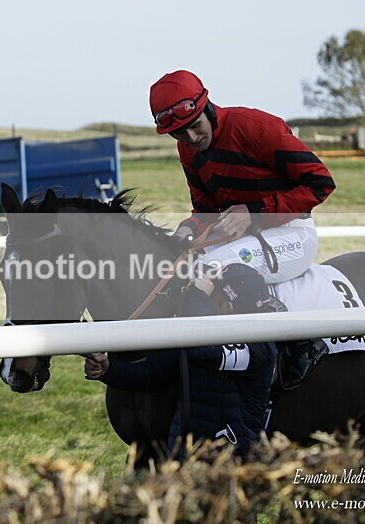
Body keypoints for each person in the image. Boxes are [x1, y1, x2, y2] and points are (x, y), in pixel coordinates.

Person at [149, 70, 336, 284]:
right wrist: (188, 227)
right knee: (173, 267)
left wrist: (254, 213)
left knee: (206, 271)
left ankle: (266, 305)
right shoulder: (187, 149)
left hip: (291, 235)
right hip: (239, 235)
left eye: (195, 126)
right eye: (180, 133)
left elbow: (321, 183)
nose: (192, 138)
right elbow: (206, 211)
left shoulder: (255, 127)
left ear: (207, 108)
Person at [84, 263, 279, 457]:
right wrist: (109, 370)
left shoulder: (259, 348)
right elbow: (154, 372)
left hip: (232, 460)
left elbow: (197, 346)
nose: (209, 301)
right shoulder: (208, 335)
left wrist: (198, 297)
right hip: (184, 456)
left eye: (213, 295)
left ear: (226, 307)